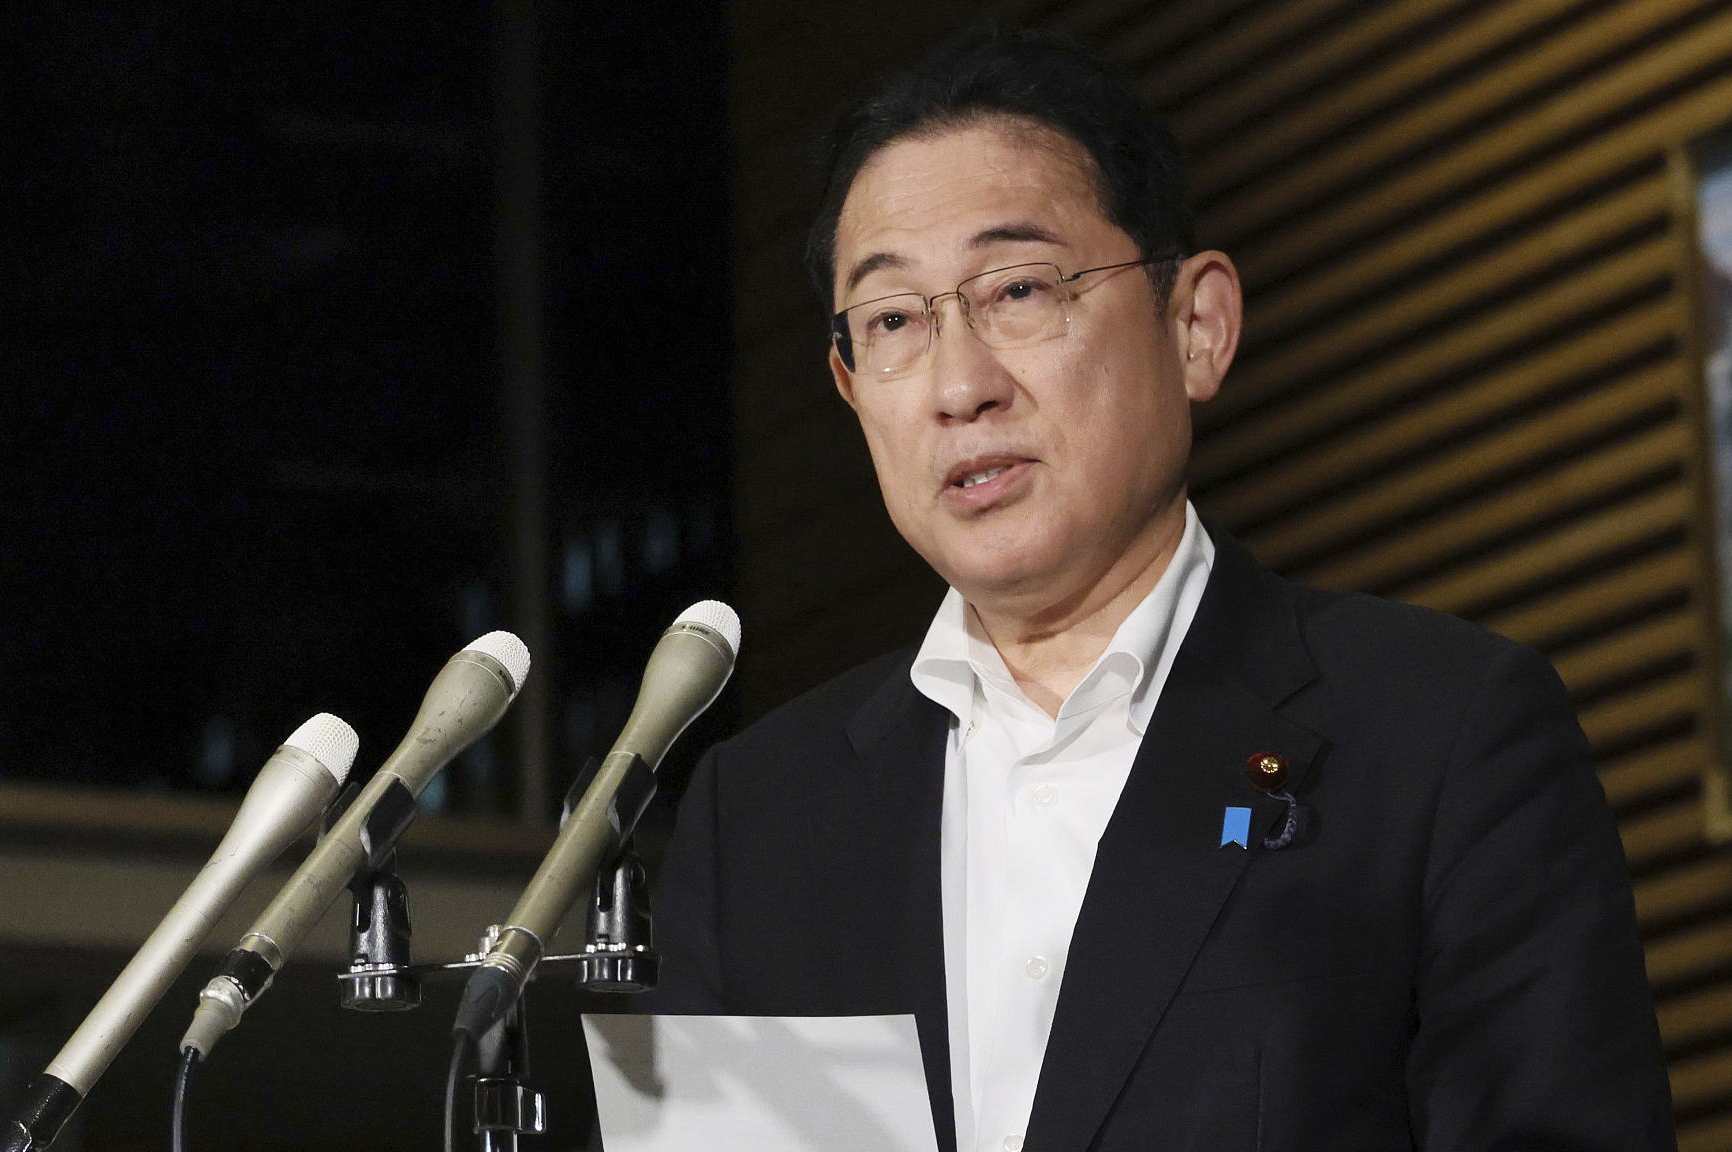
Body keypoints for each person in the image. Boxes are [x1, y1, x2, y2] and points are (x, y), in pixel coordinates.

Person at [641, 28, 1676, 1152]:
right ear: (848, 387)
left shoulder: (1440, 734)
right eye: (893, 320)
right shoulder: (759, 822)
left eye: (1019, 289)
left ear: (1195, 327)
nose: (958, 385)